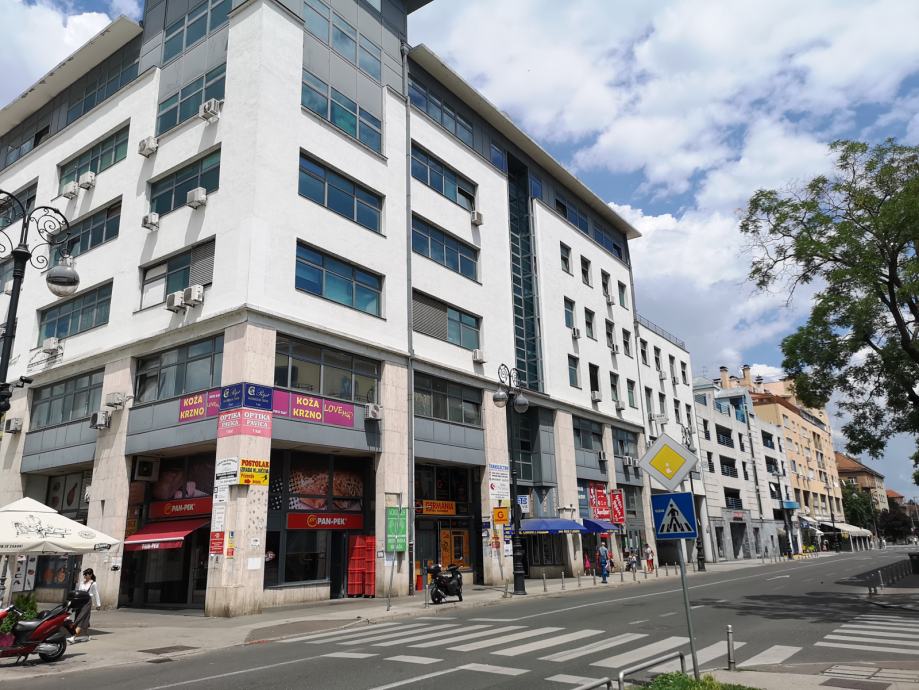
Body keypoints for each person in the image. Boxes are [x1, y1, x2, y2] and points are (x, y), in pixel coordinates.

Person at [69, 568, 101, 643]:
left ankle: (73, 637)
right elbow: (78, 592)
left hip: (87, 602)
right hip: (80, 602)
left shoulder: (93, 583)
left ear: (90, 575)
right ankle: (87, 635)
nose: (85, 576)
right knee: (81, 618)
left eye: (86, 574)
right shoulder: (81, 583)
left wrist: (98, 604)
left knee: (81, 618)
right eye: (84, 574)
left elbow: (96, 594)